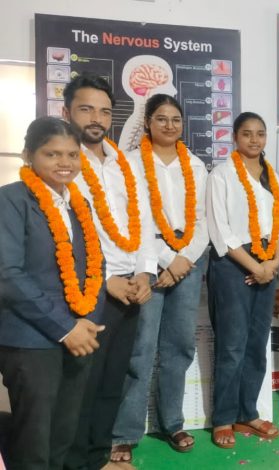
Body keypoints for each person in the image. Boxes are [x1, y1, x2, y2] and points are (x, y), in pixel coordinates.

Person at [62, 73, 157, 470]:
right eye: (86, 109)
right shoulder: (63, 162)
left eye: (103, 111)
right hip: (87, 291)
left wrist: (145, 273)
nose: (96, 119)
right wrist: (104, 281)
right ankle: (75, 463)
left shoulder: (123, 163)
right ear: (67, 112)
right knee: (81, 384)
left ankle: (99, 456)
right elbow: (64, 235)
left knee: (113, 379)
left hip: (131, 288)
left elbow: (143, 220)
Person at [0, 117, 106, 470]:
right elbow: (7, 274)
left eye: (72, 155)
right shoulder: (10, 200)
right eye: (52, 154)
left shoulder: (78, 204)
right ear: (28, 155)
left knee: (64, 433)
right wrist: (65, 328)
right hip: (30, 340)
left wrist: (87, 321)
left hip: (80, 335)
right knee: (34, 441)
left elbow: (96, 265)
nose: (65, 163)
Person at [110, 94, 209, 461]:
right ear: (148, 122)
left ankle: (173, 422)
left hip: (188, 262)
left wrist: (183, 260)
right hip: (144, 261)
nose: (169, 125)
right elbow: (132, 218)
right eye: (161, 118)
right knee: (140, 349)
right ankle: (125, 433)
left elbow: (204, 219)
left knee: (179, 347)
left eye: (175, 119)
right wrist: (166, 261)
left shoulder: (195, 165)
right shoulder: (130, 163)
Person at [206, 112, 279, 449]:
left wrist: (273, 263)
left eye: (260, 134)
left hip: (268, 263)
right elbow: (220, 231)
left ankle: (247, 413)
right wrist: (255, 266)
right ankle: (223, 418)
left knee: (256, 344)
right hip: (233, 265)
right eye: (247, 134)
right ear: (235, 137)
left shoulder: (271, 176)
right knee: (232, 345)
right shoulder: (221, 175)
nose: (254, 140)